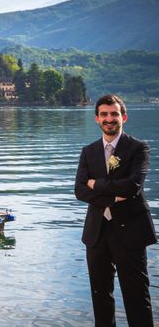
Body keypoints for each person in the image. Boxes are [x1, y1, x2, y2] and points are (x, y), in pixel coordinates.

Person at [75, 94, 156, 326]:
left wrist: (97, 185)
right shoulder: (88, 152)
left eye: (114, 114)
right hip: (96, 233)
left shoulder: (138, 148)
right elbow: (80, 190)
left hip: (131, 231)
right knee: (100, 296)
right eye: (104, 114)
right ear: (97, 119)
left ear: (124, 117)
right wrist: (114, 196)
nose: (109, 119)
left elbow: (133, 186)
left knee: (137, 296)